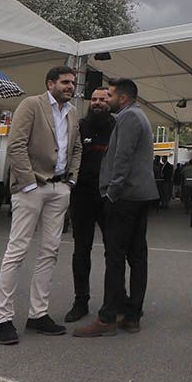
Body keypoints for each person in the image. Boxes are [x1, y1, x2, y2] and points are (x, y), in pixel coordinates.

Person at [0, 66, 83, 345]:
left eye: (73, 83)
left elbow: (77, 148)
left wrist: (70, 182)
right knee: (17, 250)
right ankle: (3, 319)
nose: (70, 86)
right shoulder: (31, 104)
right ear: (50, 83)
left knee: (50, 252)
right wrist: (29, 182)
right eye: (65, 82)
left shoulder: (72, 112)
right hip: (32, 187)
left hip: (60, 188)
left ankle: (38, 314)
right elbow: (16, 145)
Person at [73, 78, 158, 338]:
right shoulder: (137, 116)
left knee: (117, 257)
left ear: (122, 98)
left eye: (109, 95)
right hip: (137, 196)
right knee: (136, 255)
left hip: (125, 198)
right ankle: (131, 315)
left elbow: (123, 157)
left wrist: (111, 192)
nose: (105, 99)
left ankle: (108, 318)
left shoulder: (128, 118)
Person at [65, 86, 114, 324]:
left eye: (102, 99)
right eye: (93, 99)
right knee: (81, 250)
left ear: (110, 101)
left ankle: (112, 301)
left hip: (108, 197)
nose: (97, 103)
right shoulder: (79, 125)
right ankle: (80, 301)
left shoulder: (117, 126)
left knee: (113, 251)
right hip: (82, 196)